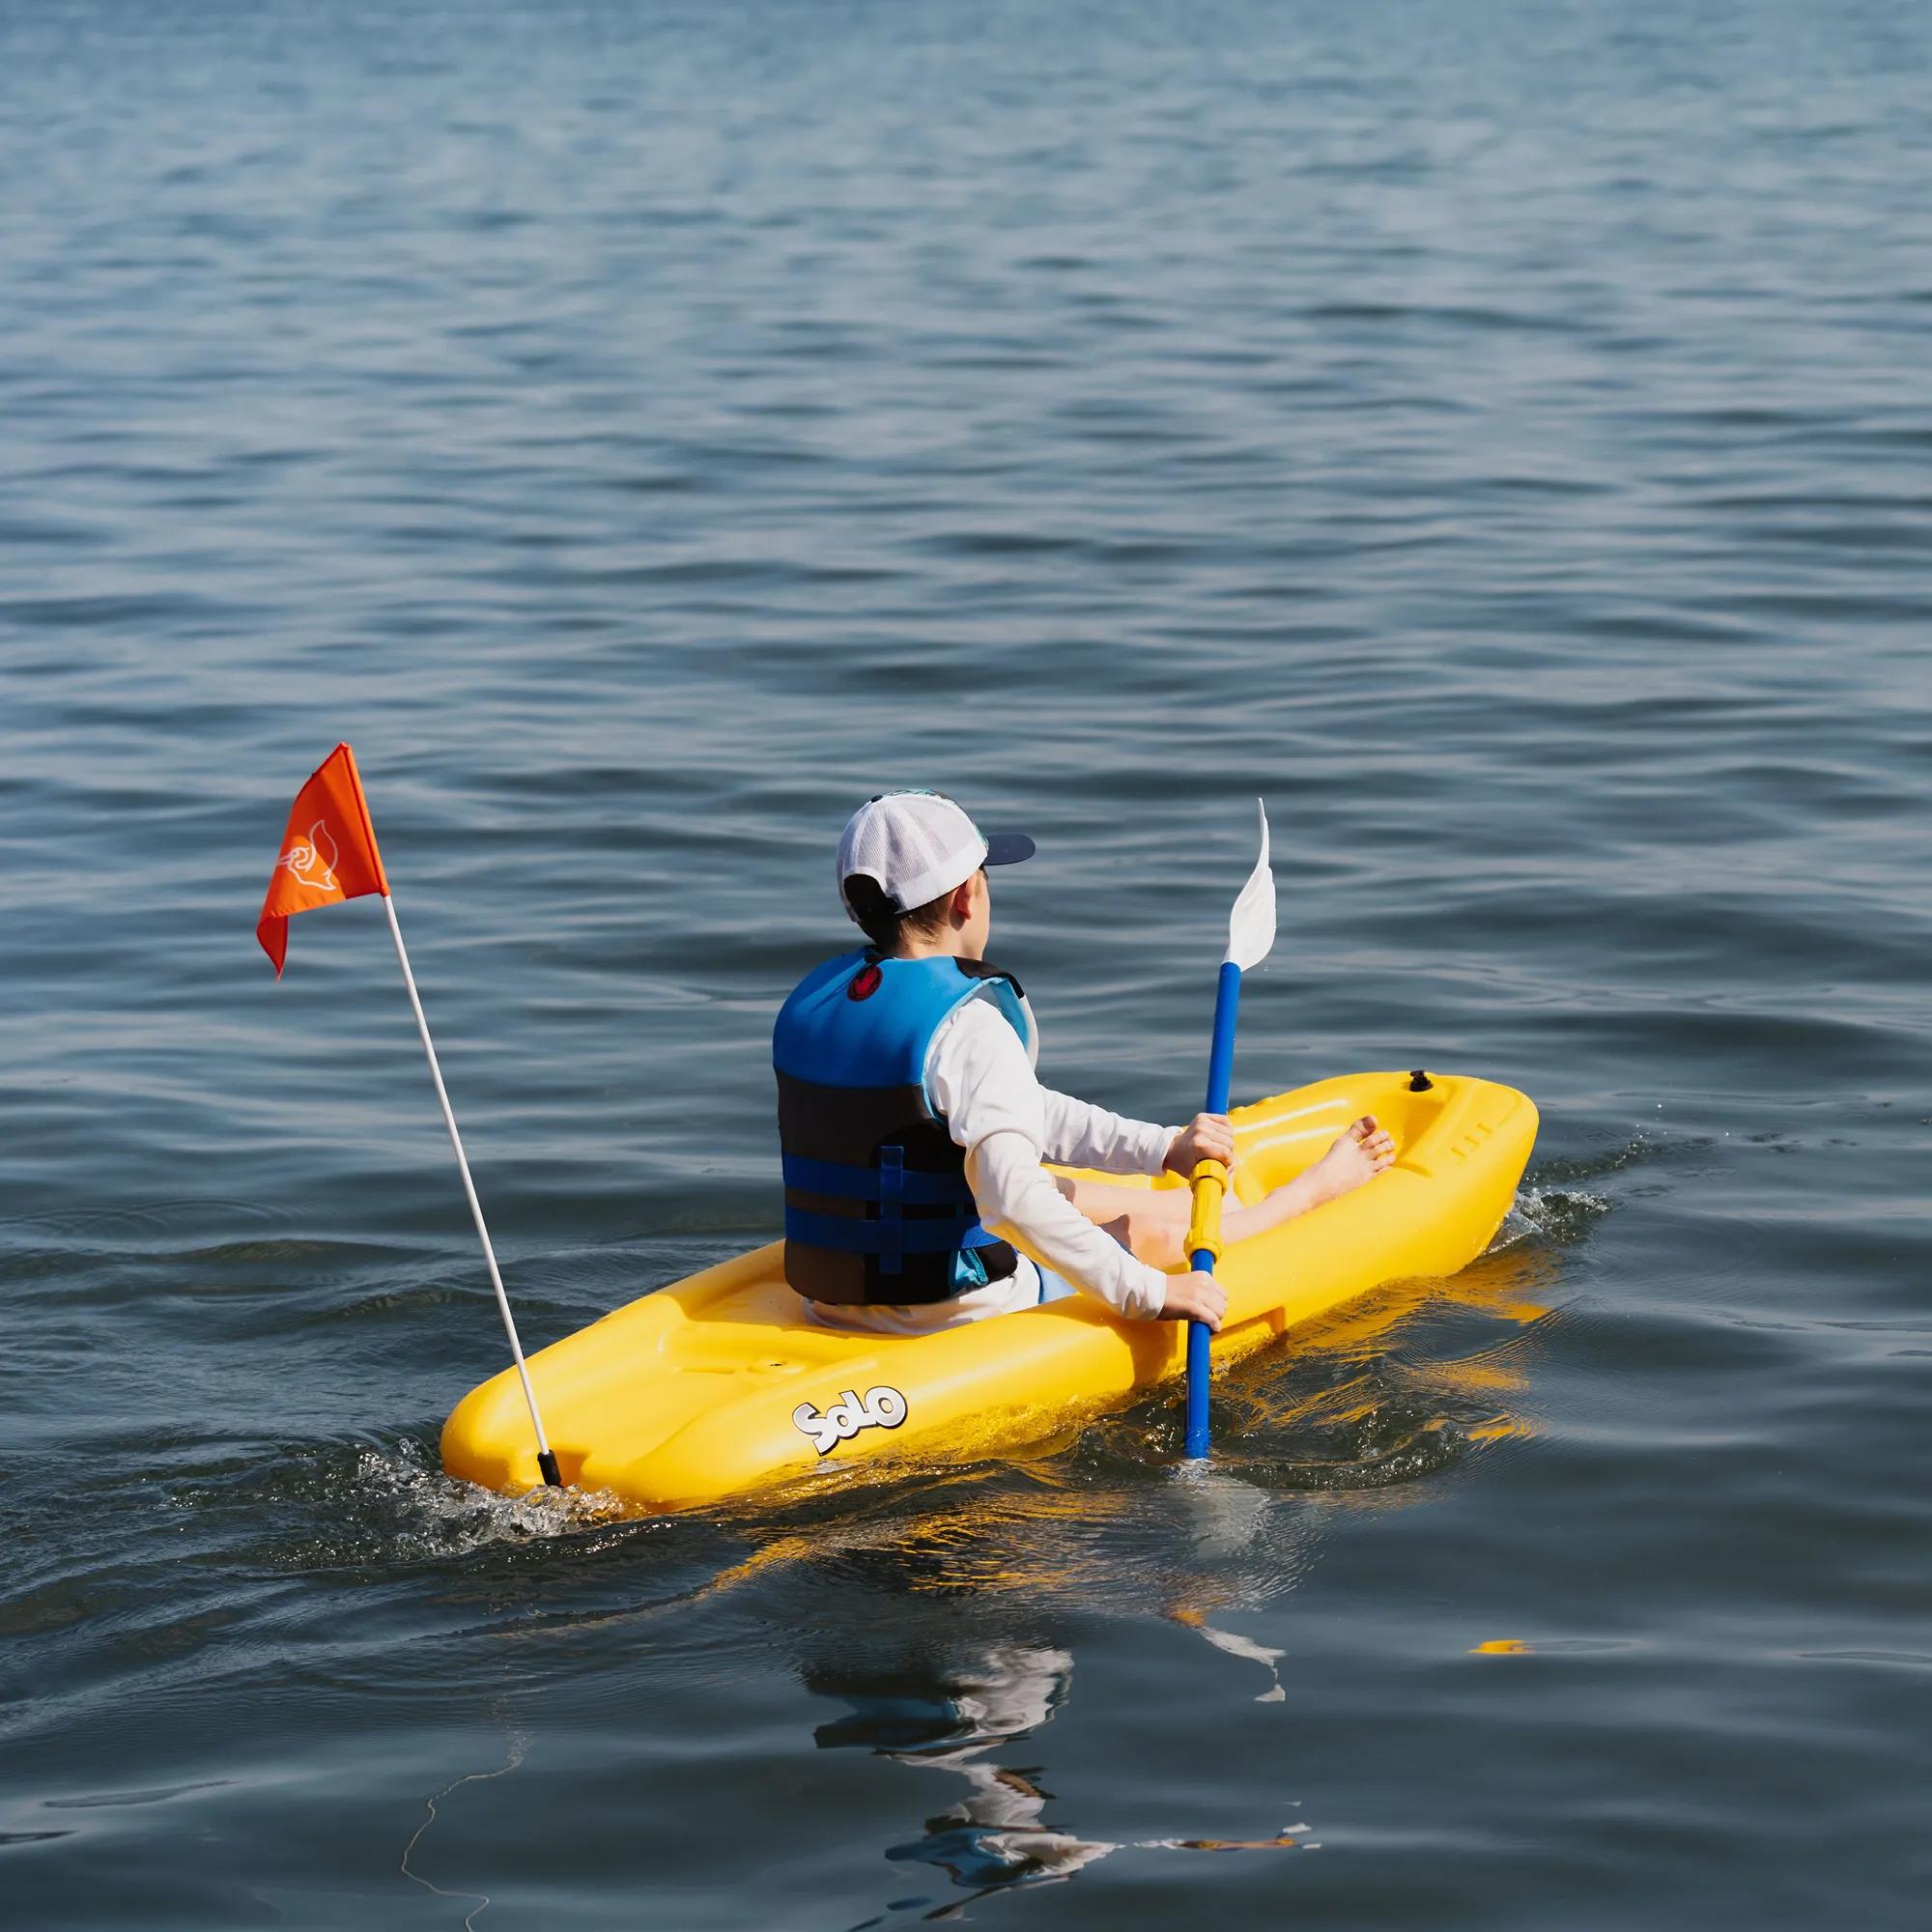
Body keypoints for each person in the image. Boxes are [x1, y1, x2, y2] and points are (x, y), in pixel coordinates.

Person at [772, 791, 1395, 1336]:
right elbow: (1011, 1201)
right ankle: (1305, 1198)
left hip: (832, 1302)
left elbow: (1013, 1106)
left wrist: (1163, 1149)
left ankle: (1201, 1204)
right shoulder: (969, 1025)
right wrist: (1151, 1293)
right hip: (951, 1312)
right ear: (967, 896)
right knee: (1141, 1235)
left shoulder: (820, 1004)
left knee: (1065, 1190)